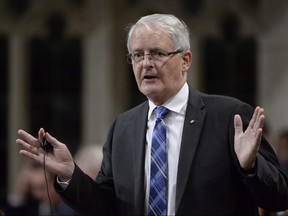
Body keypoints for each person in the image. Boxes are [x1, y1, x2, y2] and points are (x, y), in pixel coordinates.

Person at [16, 14, 288, 215]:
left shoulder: (230, 117)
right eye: (137, 55)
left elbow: (279, 198)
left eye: (157, 53)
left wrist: (250, 167)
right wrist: (70, 174)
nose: (146, 64)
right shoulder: (123, 127)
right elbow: (105, 208)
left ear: (185, 61)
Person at [4, 159, 75, 216]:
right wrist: (20, 190)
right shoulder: (33, 206)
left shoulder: (76, 207)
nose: (38, 195)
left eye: (42, 187)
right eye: (33, 188)